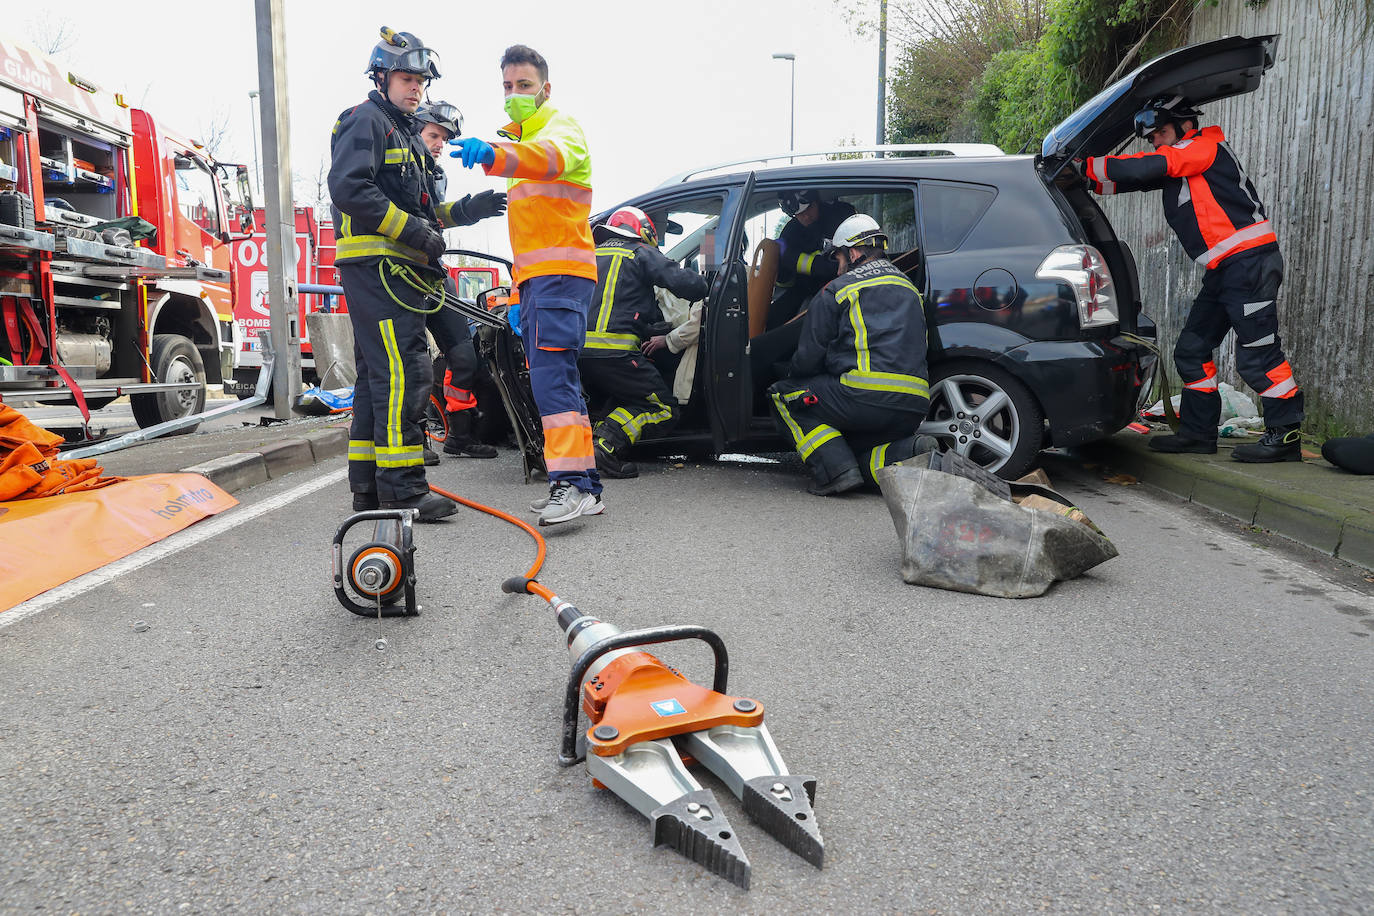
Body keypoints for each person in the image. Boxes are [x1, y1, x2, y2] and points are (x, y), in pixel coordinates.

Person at [1082, 95, 1304, 462]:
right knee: (1191, 351)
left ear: (1185, 126)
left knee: (1258, 354)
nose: (1154, 140)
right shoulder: (1184, 163)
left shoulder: (1202, 147)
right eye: (1151, 136)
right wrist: (1087, 179)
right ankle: (1199, 434)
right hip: (1226, 268)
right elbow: (1135, 177)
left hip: (1250, 264)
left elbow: (1145, 167)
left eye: (1160, 132)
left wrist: (1088, 166)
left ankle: (1285, 435)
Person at [449, 44, 601, 526]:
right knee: (560, 384)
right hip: (542, 283)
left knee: (554, 384)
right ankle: (585, 485)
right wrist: (519, 293)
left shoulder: (558, 131)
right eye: (508, 88)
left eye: (524, 86)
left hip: (561, 279)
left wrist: (496, 154)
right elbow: (535, 235)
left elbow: (550, 159)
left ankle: (571, 485)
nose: (514, 96)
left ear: (545, 90)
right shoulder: (525, 147)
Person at [328, 27, 460, 521]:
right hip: (379, 270)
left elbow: (425, 205)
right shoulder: (366, 120)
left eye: (421, 82)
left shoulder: (402, 131)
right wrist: (415, 234)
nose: (415, 89)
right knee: (406, 374)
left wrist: (467, 211)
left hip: (396, 271)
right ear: (381, 77)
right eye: (407, 78)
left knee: (374, 380)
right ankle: (403, 490)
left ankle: (367, 489)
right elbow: (348, 187)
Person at [768, 214, 930, 496]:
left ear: (853, 252)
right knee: (858, 450)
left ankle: (834, 472)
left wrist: (790, 373)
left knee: (783, 395)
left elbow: (808, 357)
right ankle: (909, 453)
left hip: (862, 397)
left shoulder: (839, 289)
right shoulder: (910, 289)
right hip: (913, 406)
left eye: (838, 258)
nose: (837, 265)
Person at [581, 206, 709, 478]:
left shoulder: (590, 255)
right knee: (662, 407)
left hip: (580, 352)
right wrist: (709, 282)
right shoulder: (638, 252)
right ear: (643, 232)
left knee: (625, 395)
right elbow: (689, 286)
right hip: (615, 353)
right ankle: (604, 445)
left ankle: (591, 446)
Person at [413, 100, 504, 459]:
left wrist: (468, 210)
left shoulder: (436, 174)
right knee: (413, 363)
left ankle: (460, 436)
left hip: (434, 271)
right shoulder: (396, 168)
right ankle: (412, 440)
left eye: (444, 138)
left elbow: (433, 217)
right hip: (402, 274)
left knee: (463, 357)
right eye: (434, 135)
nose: (439, 143)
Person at [767, 190, 856, 330]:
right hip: (807, 287)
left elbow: (861, 245)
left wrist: (842, 253)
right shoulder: (791, 233)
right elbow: (785, 275)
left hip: (846, 285)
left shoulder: (842, 215)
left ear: (817, 202)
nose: (806, 216)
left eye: (809, 208)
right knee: (772, 321)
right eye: (799, 214)